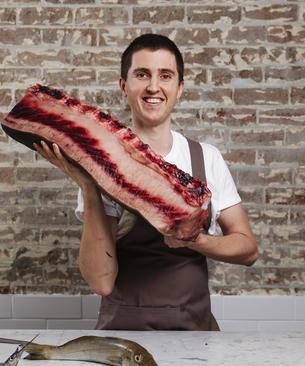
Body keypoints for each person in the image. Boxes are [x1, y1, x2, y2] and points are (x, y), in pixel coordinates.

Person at [34, 33, 258, 331]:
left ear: (179, 88)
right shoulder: (101, 166)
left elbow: (248, 250)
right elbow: (100, 281)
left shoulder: (206, 158)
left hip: (194, 331)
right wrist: (89, 187)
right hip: (123, 336)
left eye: (165, 76)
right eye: (142, 74)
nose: (154, 87)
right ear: (123, 86)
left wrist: (195, 239)